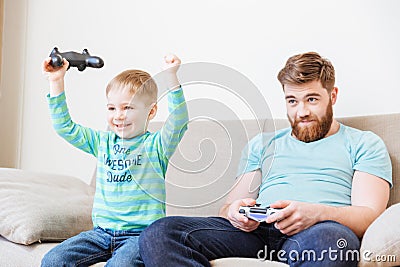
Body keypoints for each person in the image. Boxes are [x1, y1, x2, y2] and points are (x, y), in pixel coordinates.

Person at [139, 52, 392, 266]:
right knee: (160, 233)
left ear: (333, 96)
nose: (301, 112)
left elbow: (368, 215)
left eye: (311, 99)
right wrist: (236, 213)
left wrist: (316, 213)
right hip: (257, 231)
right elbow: (228, 208)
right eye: (292, 101)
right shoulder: (263, 143)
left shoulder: (364, 143)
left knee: (334, 243)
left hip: (316, 232)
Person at [41, 54, 188, 267]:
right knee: (53, 260)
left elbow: (179, 121)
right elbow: (65, 127)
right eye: (112, 108)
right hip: (100, 234)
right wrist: (56, 81)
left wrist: (171, 78)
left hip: (140, 236)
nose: (118, 115)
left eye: (127, 108)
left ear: (151, 111)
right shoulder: (102, 142)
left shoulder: (157, 145)